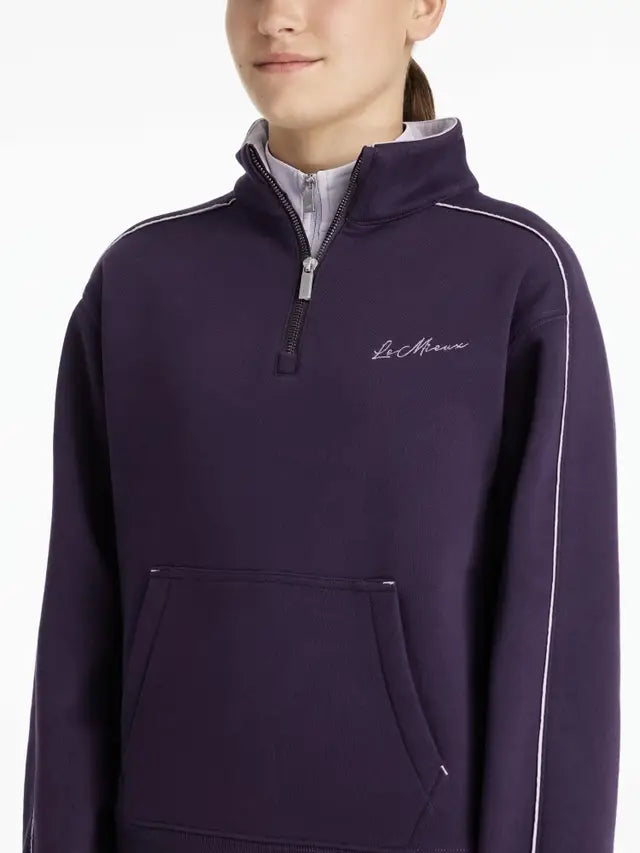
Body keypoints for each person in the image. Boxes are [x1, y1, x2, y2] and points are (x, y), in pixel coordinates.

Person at [21, 1, 621, 852]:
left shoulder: (516, 275)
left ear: (424, 8)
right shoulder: (140, 282)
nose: (278, 17)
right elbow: (76, 634)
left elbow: (559, 648)